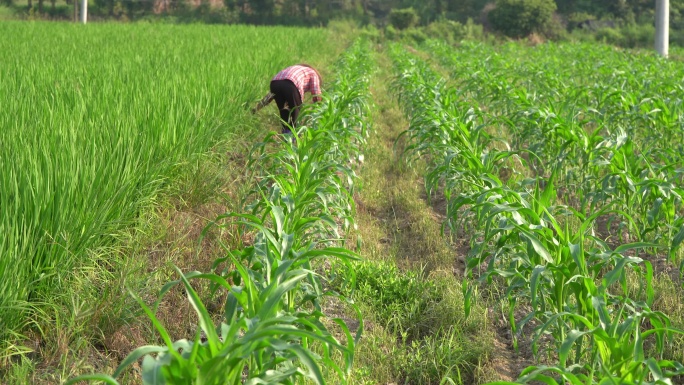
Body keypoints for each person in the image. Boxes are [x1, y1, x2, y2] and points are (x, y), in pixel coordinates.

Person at [252, 64, 322, 134]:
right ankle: (293, 140)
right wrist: (319, 110)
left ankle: (286, 138)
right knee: (296, 114)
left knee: (284, 114)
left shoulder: (297, 69)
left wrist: (256, 108)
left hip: (274, 83)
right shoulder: (313, 73)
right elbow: (316, 94)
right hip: (291, 84)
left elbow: (270, 96)